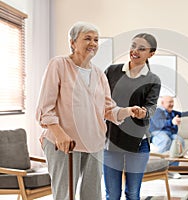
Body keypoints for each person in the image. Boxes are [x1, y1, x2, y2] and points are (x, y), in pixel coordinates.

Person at [36, 22, 141, 200]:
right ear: (73, 42)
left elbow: (109, 109)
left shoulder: (99, 74)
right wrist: (59, 133)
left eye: (96, 40)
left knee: (92, 195)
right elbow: (45, 107)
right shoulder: (59, 65)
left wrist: (128, 111)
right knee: (64, 195)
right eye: (87, 38)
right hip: (64, 143)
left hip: (94, 143)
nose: (93, 43)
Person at [103, 33, 161, 200]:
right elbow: (101, 100)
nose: (135, 51)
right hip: (112, 140)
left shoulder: (152, 79)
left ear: (151, 54)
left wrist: (144, 112)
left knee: (133, 193)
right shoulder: (112, 71)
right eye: (133, 46)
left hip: (138, 143)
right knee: (112, 195)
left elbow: (151, 106)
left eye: (141, 49)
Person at [149, 95, 188, 179]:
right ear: (162, 103)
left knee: (179, 140)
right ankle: (160, 169)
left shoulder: (172, 112)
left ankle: (173, 170)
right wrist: (172, 122)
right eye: (169, 102)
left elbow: (182, 114)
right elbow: (158, 124)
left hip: (170, 133)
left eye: (172, 102)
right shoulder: (157, 111)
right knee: (166, 140)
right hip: (158, 133)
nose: (171, 104)